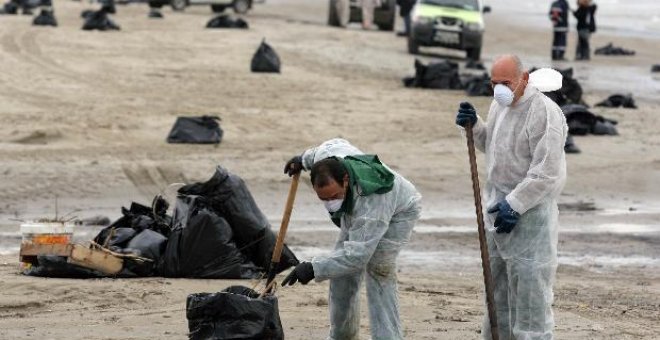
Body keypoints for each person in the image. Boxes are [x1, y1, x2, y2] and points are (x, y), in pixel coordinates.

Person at [455, 55, 568, 339]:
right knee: (497, 295)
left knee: (531, 297)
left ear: (524, 78)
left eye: (505, 83)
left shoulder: (544, 113)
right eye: (494, 83)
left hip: (531, 217)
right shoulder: (499, 105)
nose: (499, 89)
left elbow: (547, 172)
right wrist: (476, 126)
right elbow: (495, 146)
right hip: (497, 210)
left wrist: (516, 205)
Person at [281, 138, 422, 340]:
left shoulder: (371, 201)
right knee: (341, 275)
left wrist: (314, 268)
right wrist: (302, 160)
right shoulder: (327, 158)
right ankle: (342, 336)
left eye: (334, 196)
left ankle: (388, 337)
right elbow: (325, 148)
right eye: (324, 199)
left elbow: (356, 258)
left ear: (345, 180)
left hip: (399, 211)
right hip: (353, 208)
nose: (330, 204)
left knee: (378, 269)